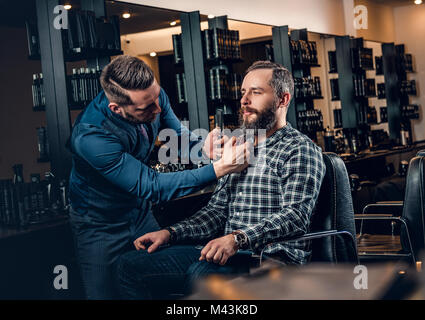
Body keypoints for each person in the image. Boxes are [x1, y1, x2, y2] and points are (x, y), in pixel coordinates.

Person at [117, 61, 326, 299]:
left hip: (272, 258)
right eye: (243, 93)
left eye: (255, 92)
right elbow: (216, 212)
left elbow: (296, 216)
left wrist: (238, 239)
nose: (244, 100)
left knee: (202, 275)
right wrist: (170, 233)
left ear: (283, 99)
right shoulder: (238, 147)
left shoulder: (299, 149)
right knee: (130, 265)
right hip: (229, 254)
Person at [68, 55, 250, 299]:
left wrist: (205, 150)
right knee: (105, 295)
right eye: (147, 108)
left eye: (157, 98)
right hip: (100, 223)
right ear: (116, 108)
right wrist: (219, 169)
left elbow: (177, 137)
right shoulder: (90, 137)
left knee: (153, 283)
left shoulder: (152, 97)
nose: (158, 108)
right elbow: (151, 186)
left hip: (140, 213)